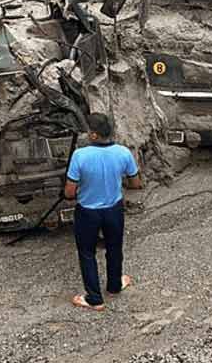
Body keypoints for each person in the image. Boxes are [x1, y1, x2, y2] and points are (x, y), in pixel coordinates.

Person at [64, 113, 142, 311]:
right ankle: (114, 286)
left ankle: (94, 299)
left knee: (87, 253)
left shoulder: (80, 156)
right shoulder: (123, 153)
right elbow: (136, 183)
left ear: (94, 135)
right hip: (114, 210)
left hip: (88, 212)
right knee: (114, 248)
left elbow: (69, 192)